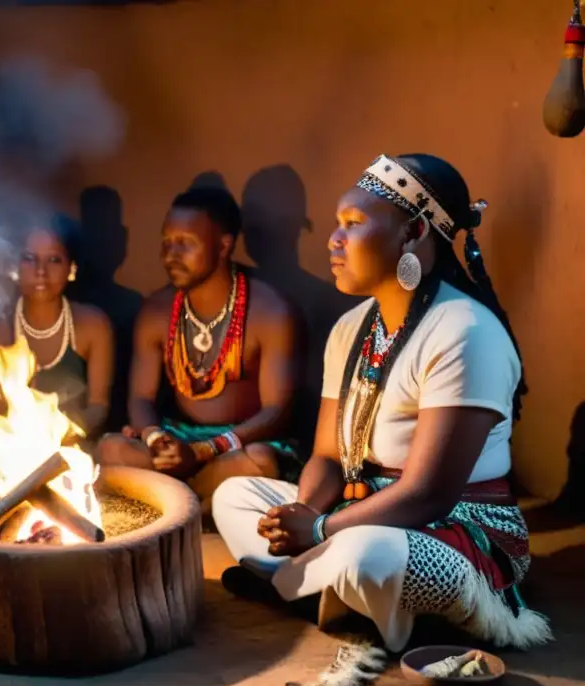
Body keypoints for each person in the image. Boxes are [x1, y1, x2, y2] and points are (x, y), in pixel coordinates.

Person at [212, 153, 552, 652]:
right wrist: (302, 513)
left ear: (412, 234)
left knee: (366, 554)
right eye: (336, 224)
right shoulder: (352, 328)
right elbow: (328, 455)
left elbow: (428, 494)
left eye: (352, 223)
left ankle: (299, 585)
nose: (333, 239)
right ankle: (329, 591)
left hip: (451, 530)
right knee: (235, 497)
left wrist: (320, 528)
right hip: (354, 509)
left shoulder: (465, 331)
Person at [97, 186, 302, 510]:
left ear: (223, 245)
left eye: (185, 244)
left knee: (260, 462)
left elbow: (277, 411)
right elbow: (141, 397)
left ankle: (175, 503)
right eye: (166, 242)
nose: (170, 255)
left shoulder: (271, 310)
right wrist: (154, 438)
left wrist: (204, 451)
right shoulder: (157, 310)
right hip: (177, 440)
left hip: (239, 444)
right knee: (111, 449)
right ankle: (196, 502)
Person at [0, 213, 114, 442]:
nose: (40, 271)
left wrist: (64, 434)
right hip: (11, 451)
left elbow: (98, 406)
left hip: (75, 449)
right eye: (29, 258)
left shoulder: (93, 325)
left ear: (72, 269)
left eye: (54, 260)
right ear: (15, 267)